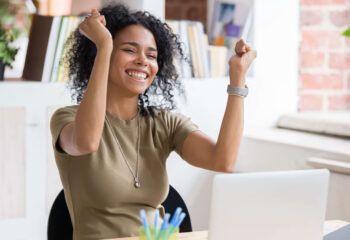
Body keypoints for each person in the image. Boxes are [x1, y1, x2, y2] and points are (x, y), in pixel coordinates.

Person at [50, 4, 257, 240]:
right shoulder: (67, 119)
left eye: (151, 55)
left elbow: (223, 160)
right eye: (129, 50)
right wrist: (104, 45)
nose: (143, 61)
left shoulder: (163, 122)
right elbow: (87, 142)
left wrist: (237, 80)